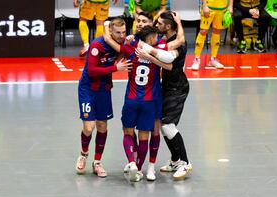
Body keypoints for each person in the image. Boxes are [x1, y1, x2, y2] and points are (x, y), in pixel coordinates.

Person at [104, 24, 172, 182]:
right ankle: (139, 169)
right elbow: (169, 63)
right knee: (144, 137)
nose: (157, 38)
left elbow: (109, 40)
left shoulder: (130, 50)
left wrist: (107, 25)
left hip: (131, 99)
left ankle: (132, 162)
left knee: (127, 132)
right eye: (155, 37)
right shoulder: (156, 55)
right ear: (150, 39)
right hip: (149, 101)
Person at [75, 17, 132, 178]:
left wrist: (124, 48)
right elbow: (92, 70)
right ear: (110, 32)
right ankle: (83, 154)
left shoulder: (120, 46)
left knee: (102, 126)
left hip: (104, 89)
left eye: (123, 32)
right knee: (88, 127)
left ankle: (97, 162)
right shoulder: (97, 45)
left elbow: (123, 54)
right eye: (118, 32)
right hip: (87, 89)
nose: (121, 35)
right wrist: (116, 68)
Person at [141, 11, 192, 181]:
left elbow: (169, 65)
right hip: (167, 87)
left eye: (160, 23)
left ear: (168, 26)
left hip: (177, 88)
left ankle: (185, 162)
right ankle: (175, 160)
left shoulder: (178, 44)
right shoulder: (167, 39)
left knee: (167, 125)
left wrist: (149, 55)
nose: (156, 26)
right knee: (163, 126)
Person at [189, 0, 233, 70]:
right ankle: (196, 59)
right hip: (209, 7)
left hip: (222, 8)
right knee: (203, 31)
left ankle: (213, 59)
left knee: (217, 31)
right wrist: (205, 5)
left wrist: (230, 6)